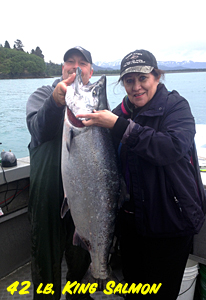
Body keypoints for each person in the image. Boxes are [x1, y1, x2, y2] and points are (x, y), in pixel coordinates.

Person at [76, 49, 206, 299]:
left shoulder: (175, 106)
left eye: (142, 78)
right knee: (134, 291)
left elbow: (170, 148)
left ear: (157, 77)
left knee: (160, 293)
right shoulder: (118, 112)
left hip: (170, 221)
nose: (136, 87)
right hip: (132, 224)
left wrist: (119, 126)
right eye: (129, 80)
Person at [26, 46, 94, 300]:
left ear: (91, 70)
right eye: (70, 61)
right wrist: (56, 101)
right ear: (62, 67)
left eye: (82, 63)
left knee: (81, 263)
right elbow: (38, 130)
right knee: (46, 270)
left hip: (83, 198)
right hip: (46, 200)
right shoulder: (42, 95)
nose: (76, 67)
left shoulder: (96, 103)